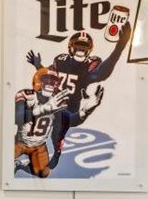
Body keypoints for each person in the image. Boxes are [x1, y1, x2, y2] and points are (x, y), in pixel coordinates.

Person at [14, 18, 131, 177]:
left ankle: (22, 163)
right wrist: (38, 66)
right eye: (78, 47)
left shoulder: (90, 65)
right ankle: (21, 150)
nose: (80, 50)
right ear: (70, 48)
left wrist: (120, 46)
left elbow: (103, 72)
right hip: (51, 106)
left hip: (67, 112)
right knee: (30, 129)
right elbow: (50, 76)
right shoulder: (60, 60)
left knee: (52, 162)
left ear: (89, 51)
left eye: (84, 48)